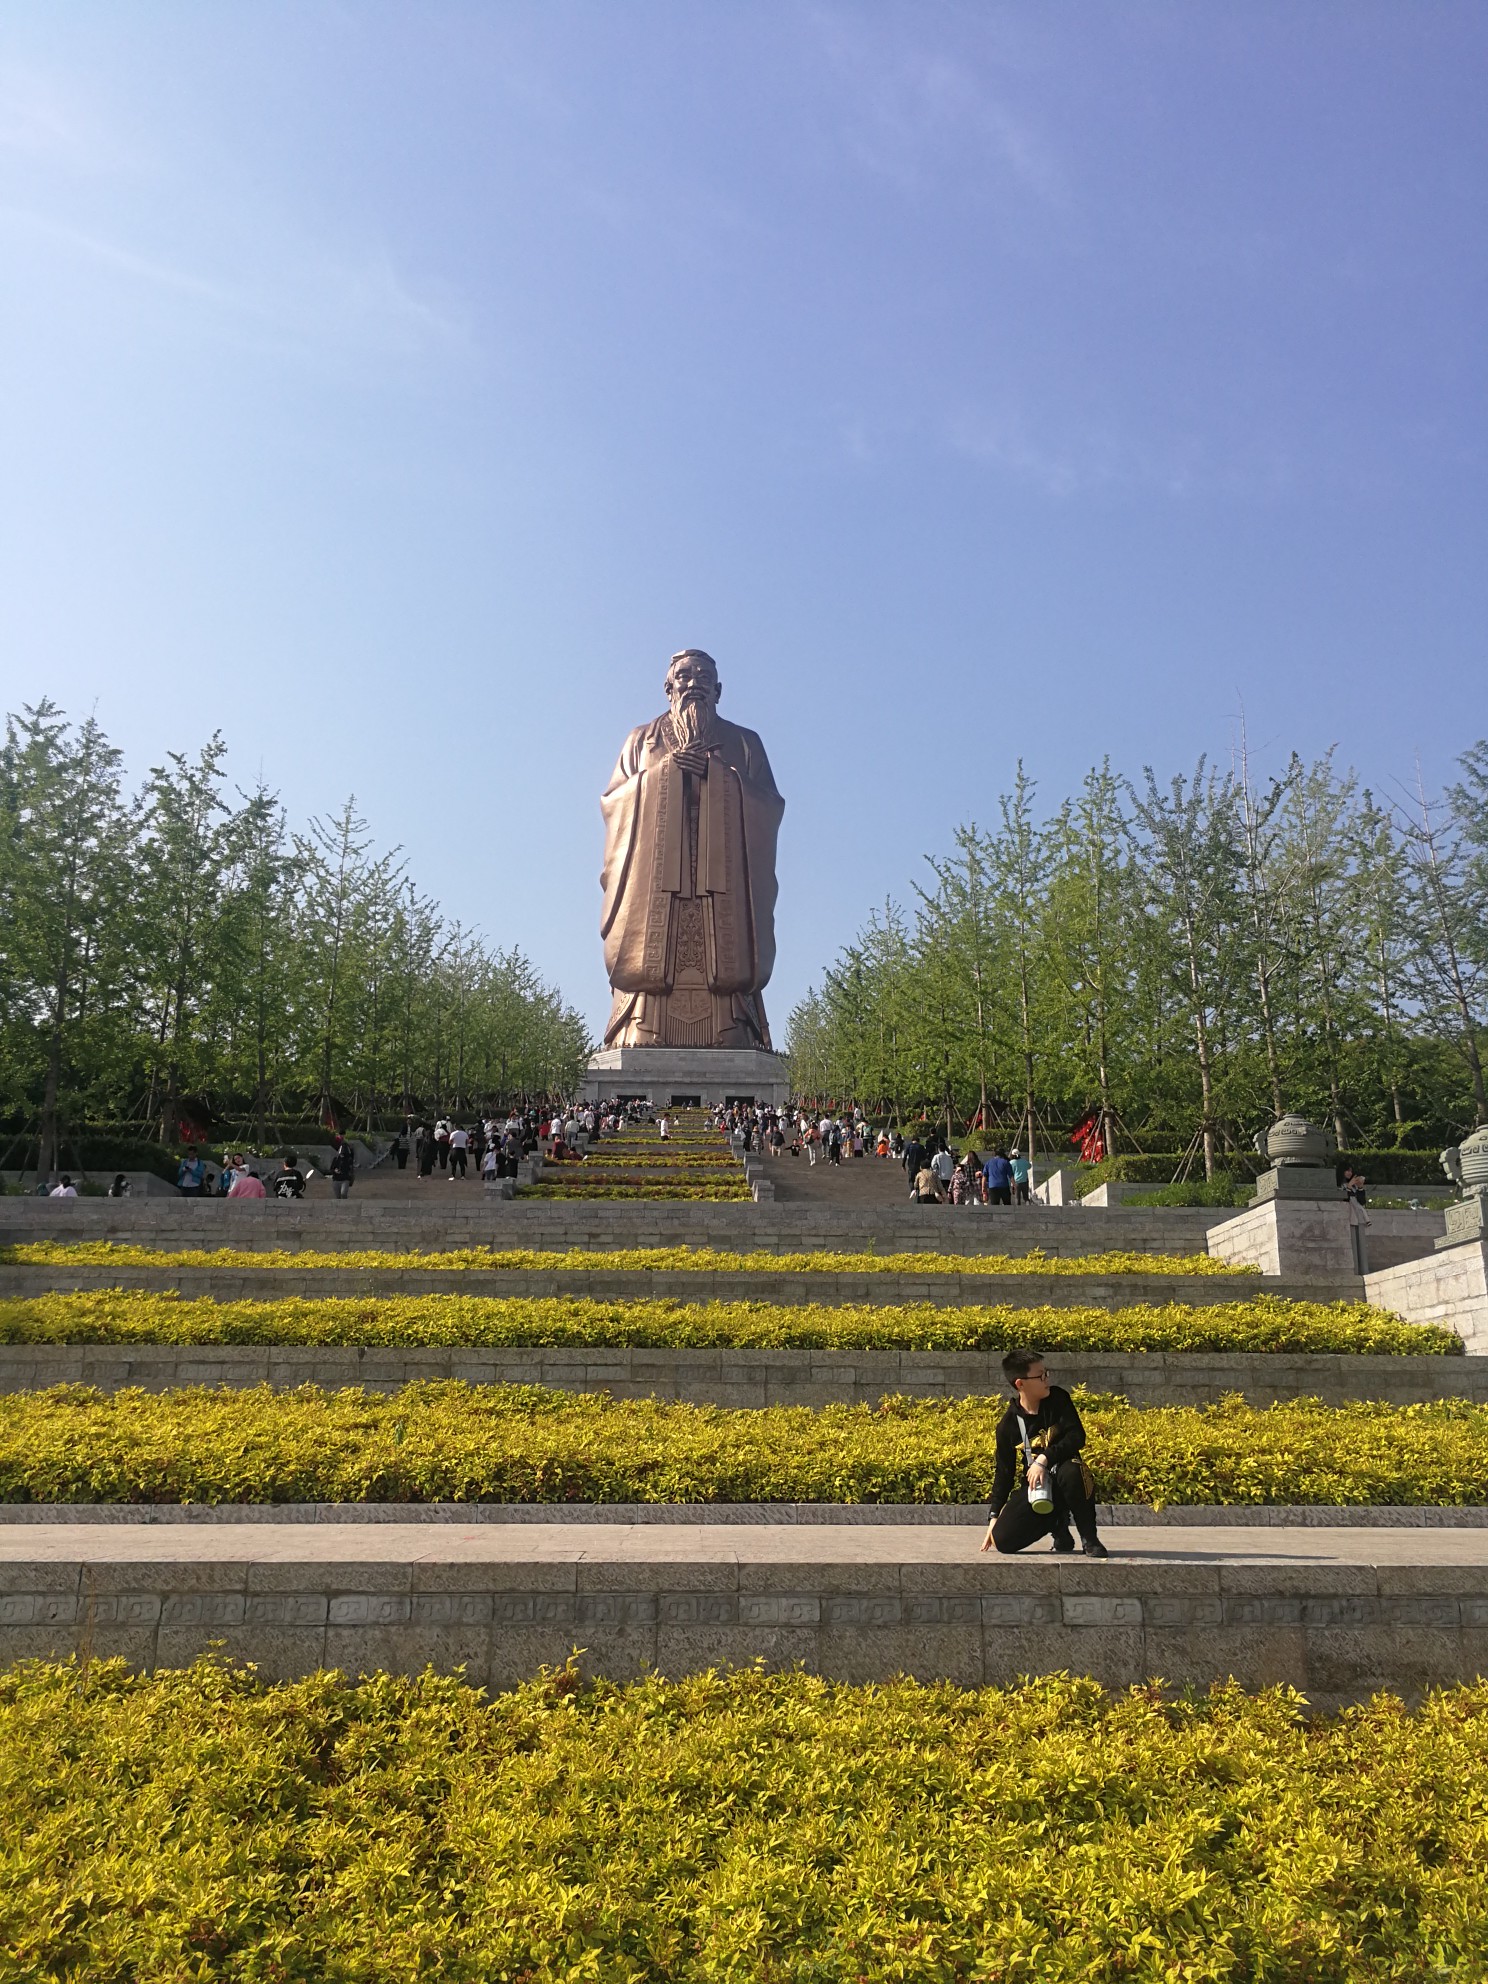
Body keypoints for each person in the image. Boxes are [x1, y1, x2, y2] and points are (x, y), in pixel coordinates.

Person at [981, 1350, 1107, 1557]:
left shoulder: (1059, 1399)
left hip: (1065, 1475)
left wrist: (1044, 1458)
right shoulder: (1008, 1426)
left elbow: (1077, 1436)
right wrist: (994, 1516)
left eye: (1046, 1373)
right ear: (1020, 1383)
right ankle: (1057, 1523)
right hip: (1037, 1488)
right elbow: (1004, 1472)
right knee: (1003, 1540)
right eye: (1040, 1376)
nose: (1046, 1379)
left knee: (1074, 1471)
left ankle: (1089, 1538)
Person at [328, 1135, 355, 1200]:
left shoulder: (349, 1160)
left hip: (345, 1179)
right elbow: (331, 1169)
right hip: (336, 1179)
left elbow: (351, 1170)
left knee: (343, 1194)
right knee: (338, 1197)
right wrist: (335, 1171)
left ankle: (345, 1204)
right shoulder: (336, 1159)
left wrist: (351, 1178)